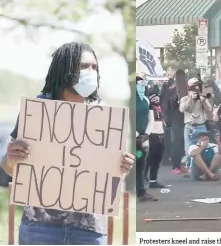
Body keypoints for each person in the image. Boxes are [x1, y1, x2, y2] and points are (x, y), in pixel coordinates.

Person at [1, 42, 135, 245]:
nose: (90, 72)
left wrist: (122, 166)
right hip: (40, 228)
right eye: (83, 66)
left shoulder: (104, 115)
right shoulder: (37, 111)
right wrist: (12, 158)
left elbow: (111, 177)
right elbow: (9, 169)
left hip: (89, 232)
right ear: (65, 68)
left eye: (94, 67)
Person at [179, 78, 212, 176]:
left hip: (201, 126)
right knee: (188, 149)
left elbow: (209, 109)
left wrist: (204, 101)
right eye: (193, 88)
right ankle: (190, 169)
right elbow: (182, 109)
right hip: (189, 127)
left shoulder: (202, 98)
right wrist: (190, 99)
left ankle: (203, 169)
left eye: (197, 88)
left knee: (203, 148)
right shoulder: (184, 98)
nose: (196, 91)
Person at [136, 76, 158, 202]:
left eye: (143, 84)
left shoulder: (145, 100)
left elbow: (151, 119)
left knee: (140, 165)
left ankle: (141, 192)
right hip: (131, 139)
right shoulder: (130, 99)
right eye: (139, 84)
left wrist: (146, 135)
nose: (142, 86)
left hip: (142, 141)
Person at [145, 94, 166, 188]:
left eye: (157, 97)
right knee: (148, 160)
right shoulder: (149, 109)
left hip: (160, 135)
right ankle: (142, 178)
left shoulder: (159, 108)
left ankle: (153, 181)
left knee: (156, 160)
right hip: (152, 136)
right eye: (153, 98)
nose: (156, 99)